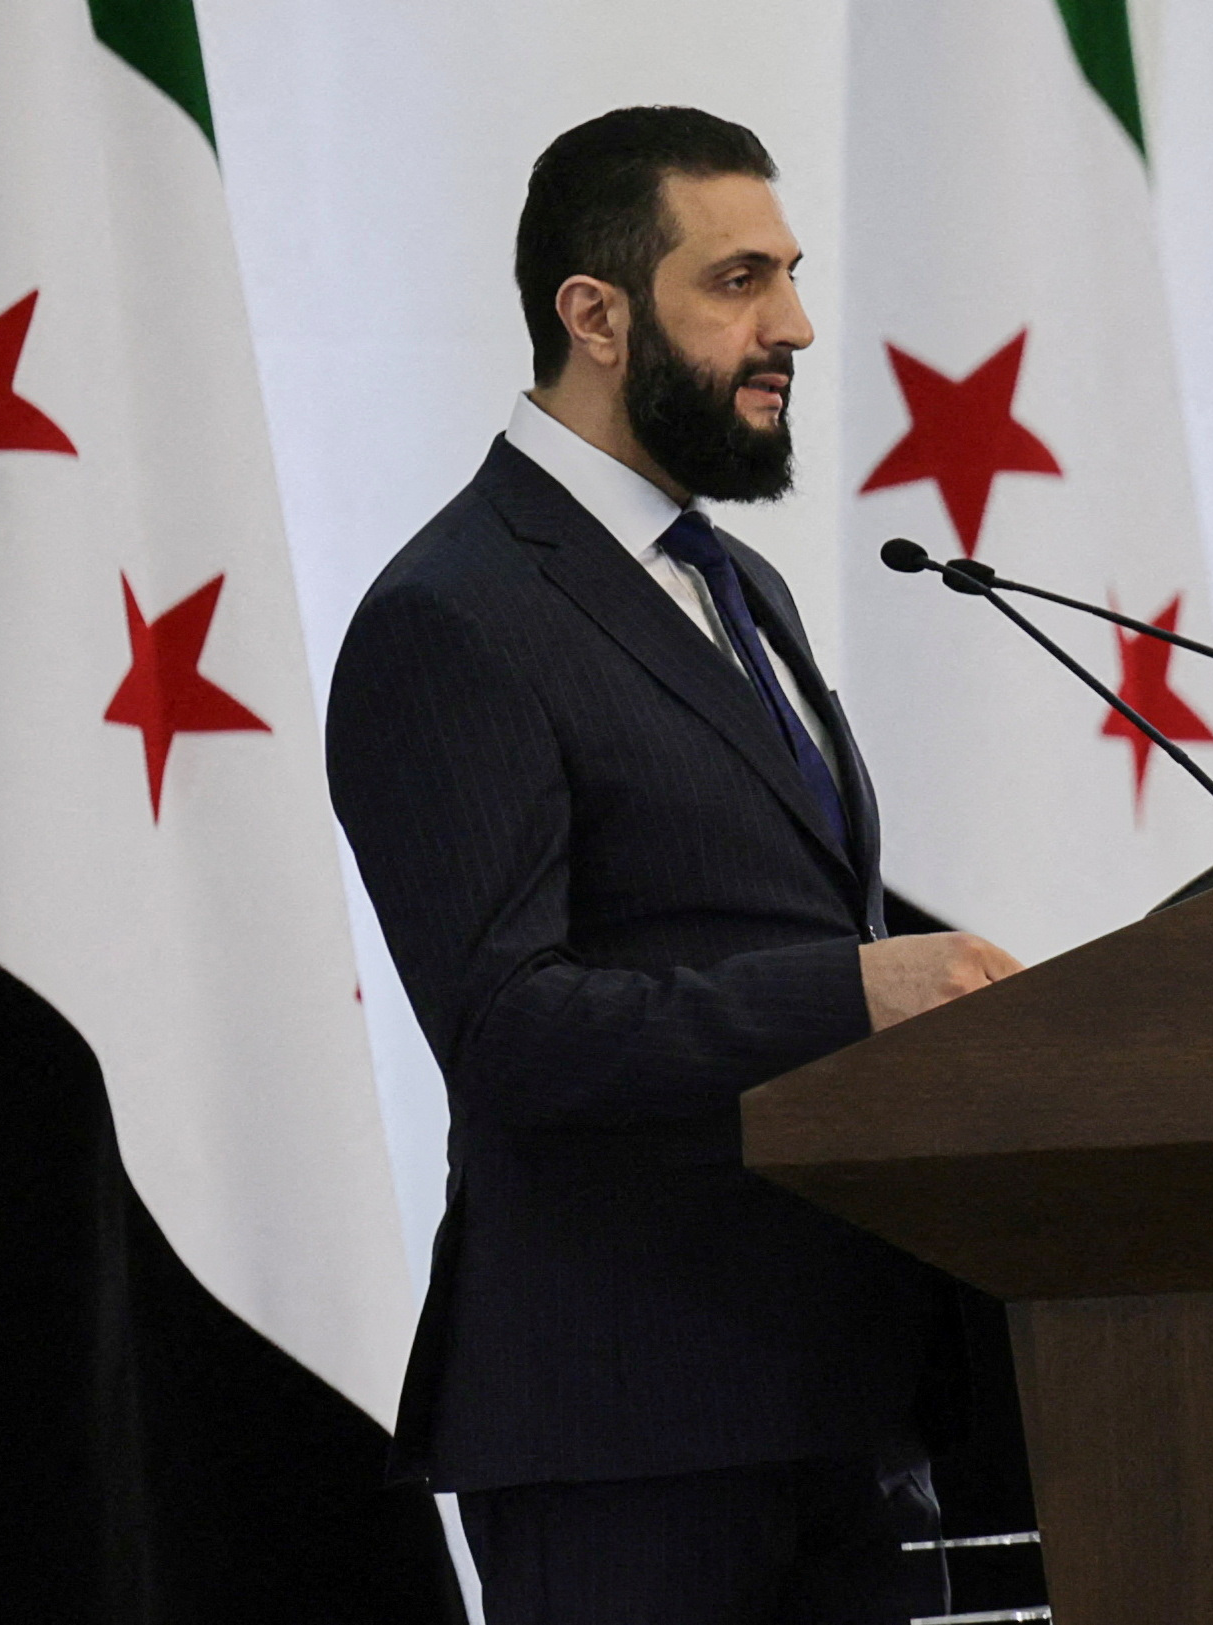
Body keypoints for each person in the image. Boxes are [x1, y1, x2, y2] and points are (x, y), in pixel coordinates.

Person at [325, 106, 1023, 1625]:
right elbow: (510, 1027)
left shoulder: (734, 582)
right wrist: (854, 989)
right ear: (594, 314)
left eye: (789, 276)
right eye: (739, 281)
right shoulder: (454, 616)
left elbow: (757, 910)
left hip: (834, 1401)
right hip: (628, 1427)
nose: (796, 325)